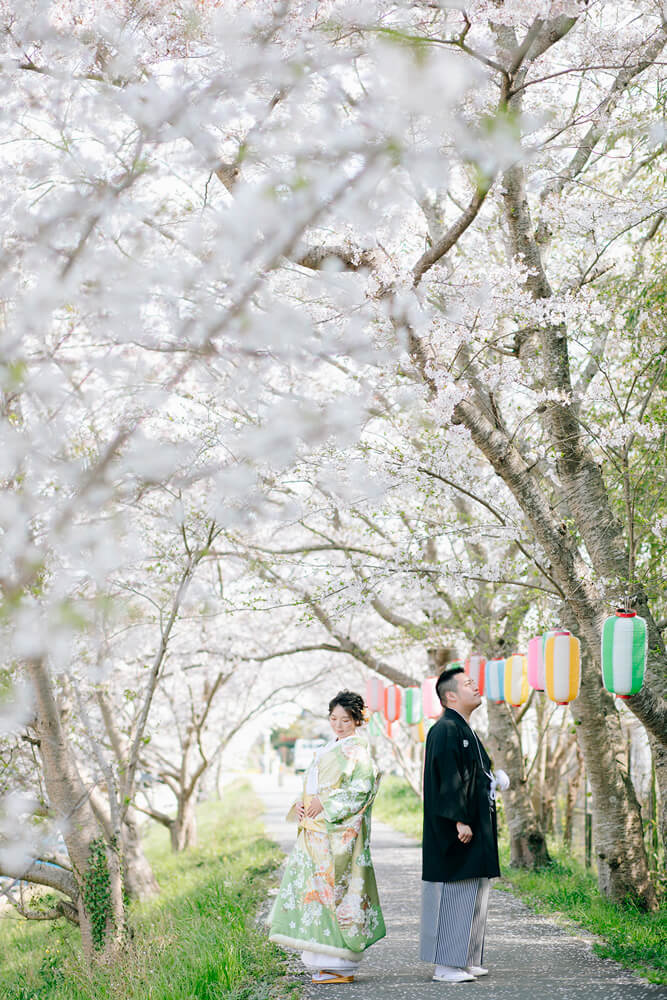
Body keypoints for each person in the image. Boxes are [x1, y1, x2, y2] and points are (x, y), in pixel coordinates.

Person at [269, 690, 386, 985]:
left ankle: (339, 964)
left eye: (345, 720)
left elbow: (362, 789)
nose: (338, 725)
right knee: (315, 894)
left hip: (334, 835)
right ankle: (324, 962)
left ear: (357, 720)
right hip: (315, 832)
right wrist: (300, 804)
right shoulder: (331, 747)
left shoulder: (357, 750)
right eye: (334, 719)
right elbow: (313, 784)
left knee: (333, 892)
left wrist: (327, 802)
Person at [420, 665, 509, 984]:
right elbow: (449, 777)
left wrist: (493, 779)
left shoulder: (464, 728)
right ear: (451, 695)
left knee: (474, 888)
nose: (477, 687)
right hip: (455, 828)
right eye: (469, 684)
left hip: (474, 824)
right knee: (454, 890)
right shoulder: (444, 729)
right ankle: (445, 964)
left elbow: (472, 774)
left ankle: (466, 958)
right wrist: (459, 818)